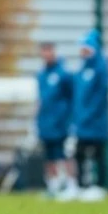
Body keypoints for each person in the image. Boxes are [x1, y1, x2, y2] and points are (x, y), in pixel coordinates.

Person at [72, 31, 108, 201]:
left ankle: (100, 187)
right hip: (81, 123)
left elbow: (100, 96)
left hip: (96, 123)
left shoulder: (101, 67)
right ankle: (81, 186)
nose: (82, 51)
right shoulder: (81, 69)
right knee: (79, 153)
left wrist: (89, 115)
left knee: (98, 154)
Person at [34, 42, 75, 199]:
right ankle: (53, 185)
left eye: (49, 51)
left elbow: (71, 98)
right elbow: (40, 100)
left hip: (61, 123)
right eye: (43, 51)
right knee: (49, 156)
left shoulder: (64, 74)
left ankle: (71, 185)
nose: (46, 54)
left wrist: (71, 120)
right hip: (45, 123)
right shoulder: (41, 75)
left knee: (64, 155)